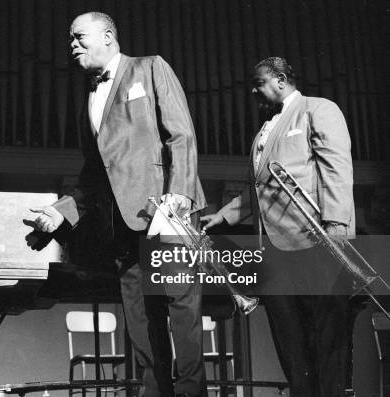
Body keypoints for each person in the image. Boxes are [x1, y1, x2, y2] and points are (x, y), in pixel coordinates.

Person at [31, 12, 207, 397]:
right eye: (70, 40)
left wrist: (179, 194)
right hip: (122, 226)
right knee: (141, 321)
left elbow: (182, 135)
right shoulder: (87, 100)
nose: (72, 45)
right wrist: (62, 210)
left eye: (80, 37)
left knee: (182, 314)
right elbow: (94, 174)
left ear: (108, 35)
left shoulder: (150, 67)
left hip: (167, 215)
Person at [202, 57, 355, 397]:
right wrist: (224, 215)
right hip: (274, 251)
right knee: (291, 344)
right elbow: (260, 189)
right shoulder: (264, 129)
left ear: (282, 80)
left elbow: (337, 170)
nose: (254, 91)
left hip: (315, 241)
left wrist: (337, 228)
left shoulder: (318, 109)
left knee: (326, 340)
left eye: (259, 83)